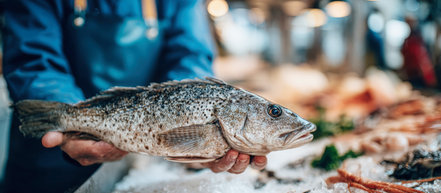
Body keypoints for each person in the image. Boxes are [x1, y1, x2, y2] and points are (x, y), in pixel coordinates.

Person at [1, 0, 267, 192]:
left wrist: (192, 129)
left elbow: (190, 55)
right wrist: (66, 114)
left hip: (140, 149)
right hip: (49, 157)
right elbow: (33, 57)